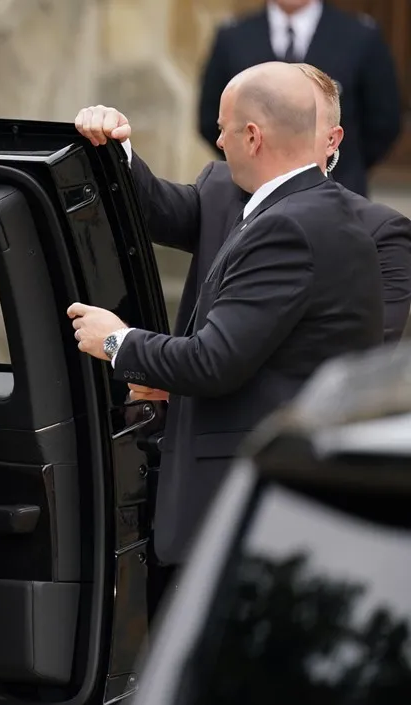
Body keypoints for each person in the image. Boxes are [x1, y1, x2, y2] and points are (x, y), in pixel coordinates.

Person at [68, 62, 383, 604]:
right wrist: (115, 152)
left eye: (223, 129)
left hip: (251, 512)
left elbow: (212, 361)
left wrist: (118, 341)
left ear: (253, 137)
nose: (218, 141)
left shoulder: (288, 226)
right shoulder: (299, 211)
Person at [197, 0, 401, 197]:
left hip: (337, 191)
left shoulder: (360, 35)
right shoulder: (233, 36)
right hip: (251, 196)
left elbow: (384, 120)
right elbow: (212, 118)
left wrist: (338, 160)